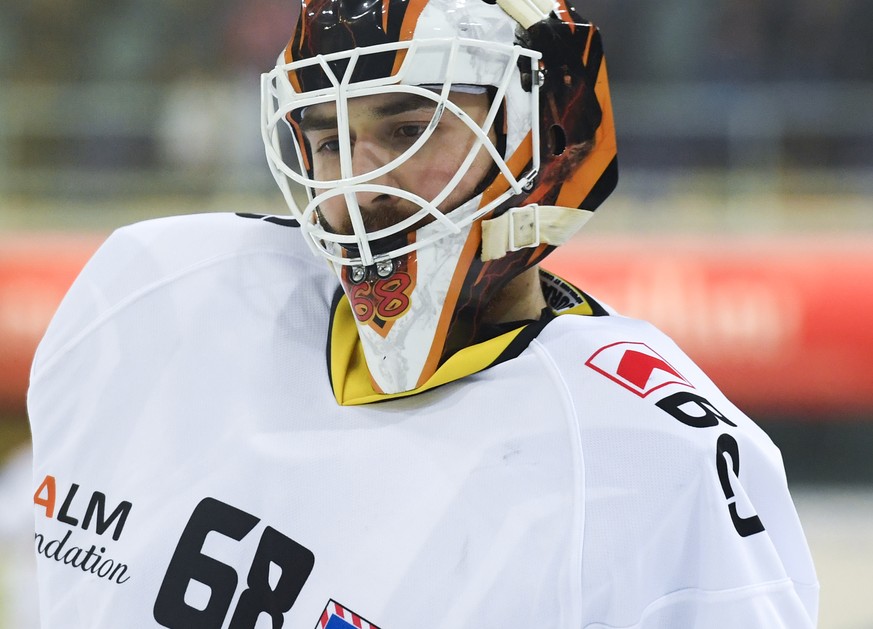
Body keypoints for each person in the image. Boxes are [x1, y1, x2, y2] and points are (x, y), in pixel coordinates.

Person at [28, 0, 819, 626]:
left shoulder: (662, 464)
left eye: (407, 130)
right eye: (327, 137)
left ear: (538, 133)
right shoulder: (147, 297)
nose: (357, 187)